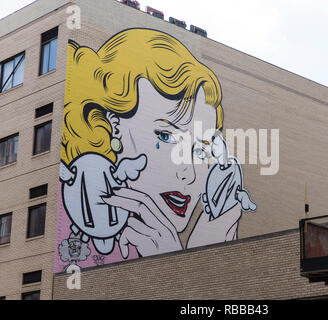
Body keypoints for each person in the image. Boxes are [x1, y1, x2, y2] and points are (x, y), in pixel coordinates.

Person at [60, 28, 256, 260]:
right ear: (114, 126)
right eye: (167, 137)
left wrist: (197, 262)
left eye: (201, 151)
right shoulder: (74, 222)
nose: (189, 175)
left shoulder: (198, 237)